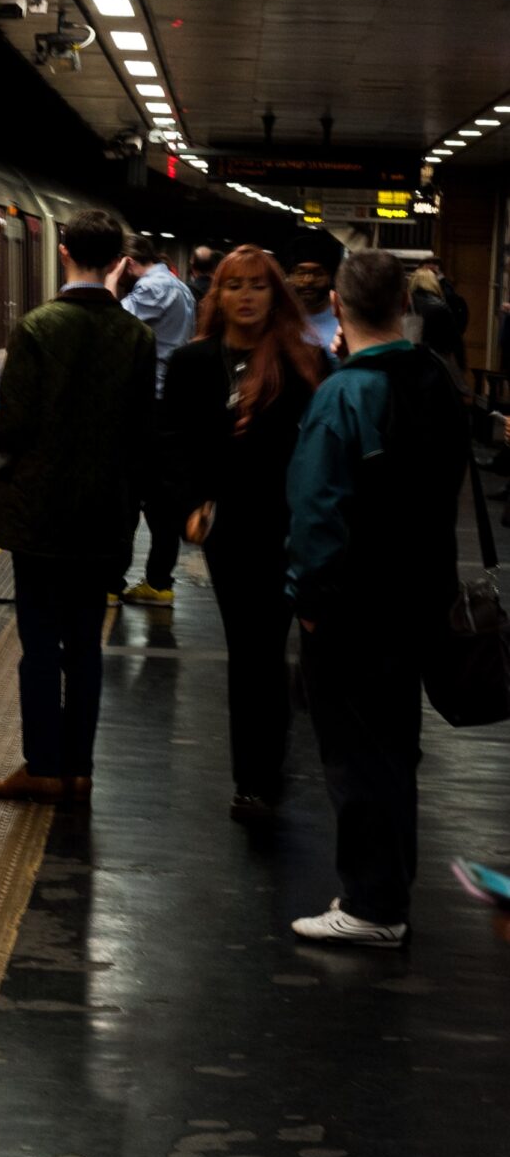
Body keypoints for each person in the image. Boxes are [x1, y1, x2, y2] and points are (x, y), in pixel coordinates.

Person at [286, 247, 470, 946]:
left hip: (352, 607)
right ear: (404, 305)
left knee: (356, 754)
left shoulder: (343, 394)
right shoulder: (436, 379)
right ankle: (385, 885)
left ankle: (370, 906)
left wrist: (308, 598)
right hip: (420, 595)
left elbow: (314, 513)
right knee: (394, 748)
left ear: (335, 305)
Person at [0, 209, 156, 807]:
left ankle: (42, 765)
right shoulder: (137, 336)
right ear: (121, 263)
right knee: (85, 647)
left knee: (40, 647)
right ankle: (79, 770)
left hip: (39, 520)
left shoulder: (37, 328)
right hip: (103, 517)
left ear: (63, 250)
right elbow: (137, 434)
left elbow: (17, 426)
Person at [164, 247, 330, 825]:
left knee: (265, 651)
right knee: (251, 652)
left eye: (259, 286)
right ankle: (253, 779)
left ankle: (261, 777)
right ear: (221, 295)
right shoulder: (192, 364)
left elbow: (321, 449)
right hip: (228, 532)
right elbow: (175, 442)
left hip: (289, 529)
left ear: (274, 293)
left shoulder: (305, 363)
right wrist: (189, 505)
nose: (247, 296)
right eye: (235, 286)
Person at [108, 235, 194, 603]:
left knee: (128, 500)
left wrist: (110, 284)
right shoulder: (176, 286)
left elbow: (110, 323)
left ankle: (113, 583)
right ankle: (159, 583)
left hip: (150, 409)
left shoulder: (153, 289)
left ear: (127, 262)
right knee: (162, 505)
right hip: (168, 407)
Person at [286, 234, 342, 355]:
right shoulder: (277, 317)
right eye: (301, 273)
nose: (308, 280)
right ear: (289, 277)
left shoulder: (345, 321)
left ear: (331, 278)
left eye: (318, 273)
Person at [408, 264, 465, 373]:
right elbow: (455, 339)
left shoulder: (405, 303)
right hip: (435, 362)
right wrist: (460, 366)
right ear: (433, 283)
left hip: (410, 360)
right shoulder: (440, 306)